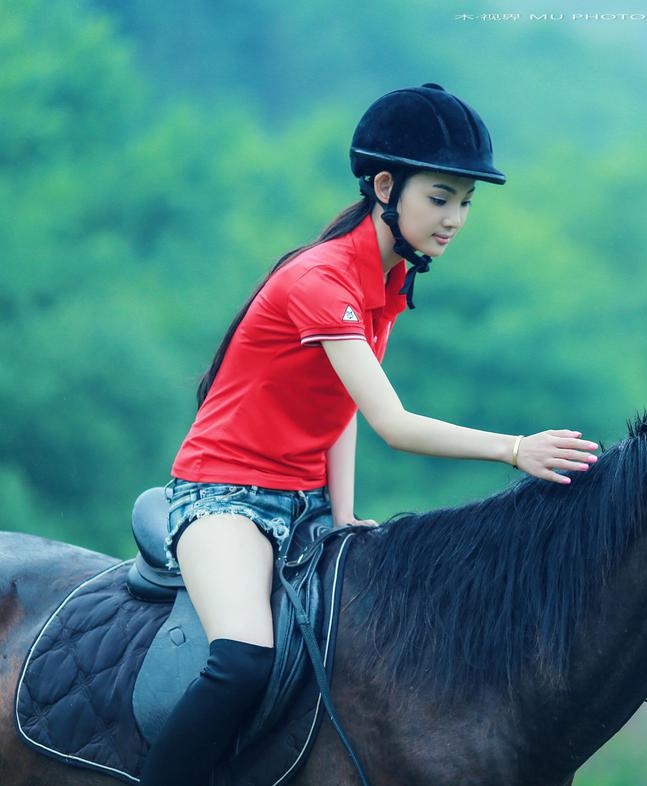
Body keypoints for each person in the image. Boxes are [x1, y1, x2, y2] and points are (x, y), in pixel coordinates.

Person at [140, 83, 600, 786]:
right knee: (242, 661)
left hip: (304, 504)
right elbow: (393, 423)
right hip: (223, 496)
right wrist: (513, 449)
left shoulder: (387, 282)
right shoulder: (322, 280)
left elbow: (339, 407)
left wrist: (344, 513)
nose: (455, 219)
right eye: (440, 198)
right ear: (386, 188)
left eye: (466, 202)